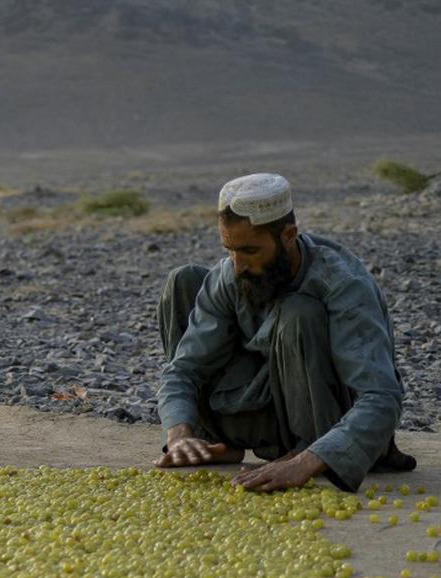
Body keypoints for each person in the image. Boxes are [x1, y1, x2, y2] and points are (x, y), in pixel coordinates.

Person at [154, 173, 415, 492]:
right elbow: (184, 370)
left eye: (250, 251)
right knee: (184, 281)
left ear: (289, 235)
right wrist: (178, 434)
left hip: (325, 419)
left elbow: (382, 397)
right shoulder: (230, 275)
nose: (238, 266)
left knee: (298, 311)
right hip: (266, 405)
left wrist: (305, 463)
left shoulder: (342, 284)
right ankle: (213, 442)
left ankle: (311, 449)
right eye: (230, 250)